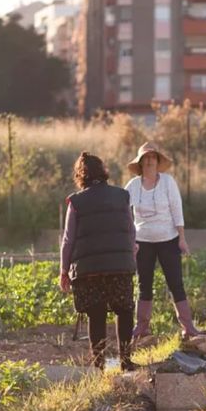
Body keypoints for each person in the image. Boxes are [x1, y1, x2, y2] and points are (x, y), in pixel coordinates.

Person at [60, 152, 137, 371]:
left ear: (80, 175)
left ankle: (99, 365)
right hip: (120, 266)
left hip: (88, 271)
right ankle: (126, 361)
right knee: (124, 310)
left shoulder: (76, 202)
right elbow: (131, 231)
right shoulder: (122, 196)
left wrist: (64, 271)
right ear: (103, 172)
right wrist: (129, 257)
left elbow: (68, 239)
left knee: (97, 314)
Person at [125, 142, 204, 340]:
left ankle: (188, 327)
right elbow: (123, 212)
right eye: (147, 158)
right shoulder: (133, 186)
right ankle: (142, 327)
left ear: (158, 161)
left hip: (168, 239)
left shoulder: (168, 182)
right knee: (144, 284)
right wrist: (130, 239)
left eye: (153, 157)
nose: (150, 160)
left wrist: (182, 239)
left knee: (175, 283)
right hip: (142, 242)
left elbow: (177, 210)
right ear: (141, 162)